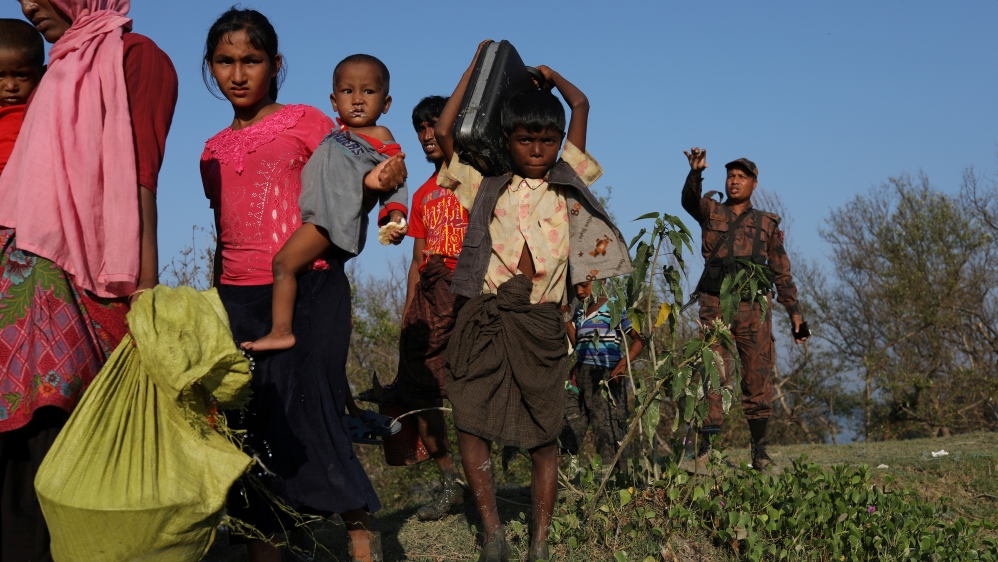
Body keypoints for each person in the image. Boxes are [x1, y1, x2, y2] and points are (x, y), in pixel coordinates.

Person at [200, 9, 404, 562]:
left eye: (252, 60)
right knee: (250, 428)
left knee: (309, 410)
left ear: (276, 65)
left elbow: (370, 162)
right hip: (236, 297)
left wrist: (389, 203)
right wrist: (215, 298)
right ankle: (266, 546)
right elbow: (224, 229)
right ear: (211, 67)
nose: (238, 74)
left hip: (309, 288)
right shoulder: (212, 149)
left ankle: (361, 531)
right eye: (225, 61)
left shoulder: (309, 120)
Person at [435, 41, 632, 562]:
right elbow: (444, 133)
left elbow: (582, 105)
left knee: (546, 432)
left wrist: (551, 74)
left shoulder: (569, 181)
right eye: (526, 139)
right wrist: (474, 70)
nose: (539, 148)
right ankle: (494, 534)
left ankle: (540, 542)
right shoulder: (486, 185)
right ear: (508, 139)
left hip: (544, 323)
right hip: (485, 316)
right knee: (469, 418)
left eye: (548, 138)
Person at [0, 0, 178, 559]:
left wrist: (146, 292)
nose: (28, 5)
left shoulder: (136, 57)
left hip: (77, 283)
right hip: (16, 276)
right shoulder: (59, 66)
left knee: (56, 444)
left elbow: (140, 177)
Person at [241, 53, 408, 353]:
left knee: (283, 264)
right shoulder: (337, 134)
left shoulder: (380, 136)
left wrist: (395, 216)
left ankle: (281, 331)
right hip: (321, 219)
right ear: (334, 101)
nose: (357, 100)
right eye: (348, 91)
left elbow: (394, 179)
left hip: (330, 220)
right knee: (332, 274)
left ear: (386, 103)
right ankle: (344, 322)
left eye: (368, 92)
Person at [680, 147, 808, 473]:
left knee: (757, 377)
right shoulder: (711, 210)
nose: (734, 181)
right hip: (715, 305)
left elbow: (781, 270)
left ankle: (760, 454)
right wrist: (695, 172)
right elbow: (688, 201)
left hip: (754, 309)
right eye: (731, 175)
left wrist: (795, 314)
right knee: (714, 374)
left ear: (754, 183)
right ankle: (705, 454)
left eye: (742, 176)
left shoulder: (767, 224)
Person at [395, 95, 469, 521]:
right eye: (419, 128)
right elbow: (417, 261)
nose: (426, 136)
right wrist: (409, 315)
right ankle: (449, 483)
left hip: (471, 296)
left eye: (433, 127)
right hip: (431, 299)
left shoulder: (476, 180)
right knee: (419, 391)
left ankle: (483, 482)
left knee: (473, 394)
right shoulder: (422, 195)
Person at [560, 281, 644, 461]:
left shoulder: (615, 307)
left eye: (584, 285)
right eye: (576, 287)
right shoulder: (581, 311)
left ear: (602, 281)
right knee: (566, 430)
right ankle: (554, 482)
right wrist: (567, 319)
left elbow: (639, 338)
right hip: (580, 377)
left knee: (609, 434)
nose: (579, 291)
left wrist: (622, 365)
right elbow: (579, 344)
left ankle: (615, 485)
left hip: (606, 377)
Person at [0, 18, 43, 176]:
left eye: (21, 75)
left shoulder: (38, 114)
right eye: (0, 76)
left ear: (42, 74)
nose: (10, 86)